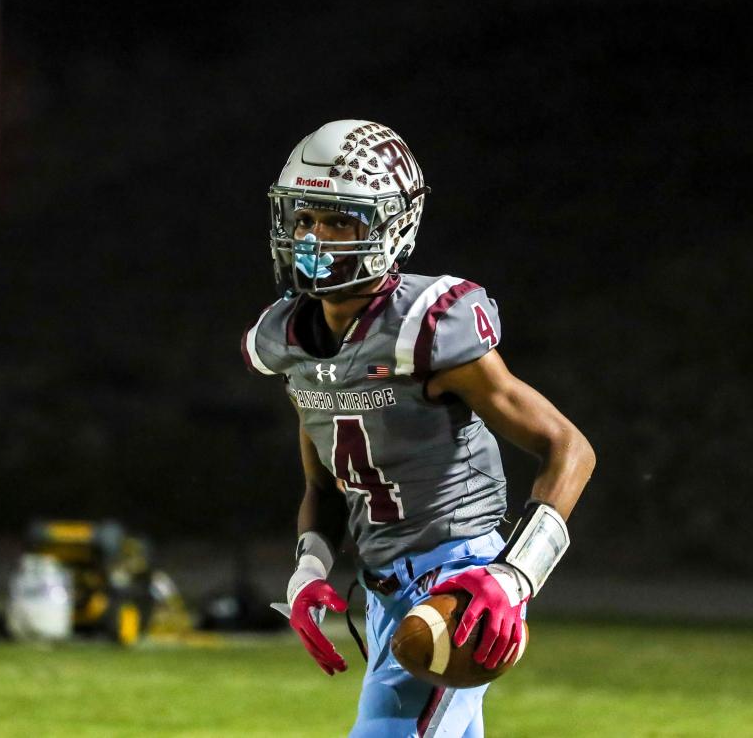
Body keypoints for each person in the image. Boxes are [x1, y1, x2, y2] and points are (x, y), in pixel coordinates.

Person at [241, 120, 596, 737]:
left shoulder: (426, 326)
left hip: (458, 577)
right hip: (384, 589)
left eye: (340, 222)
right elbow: (327, 484)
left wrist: (515, 576)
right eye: (306, 219)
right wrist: (310, 572)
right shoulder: (290, 341)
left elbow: (570, 448)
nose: (316, 239)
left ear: (389, 226)